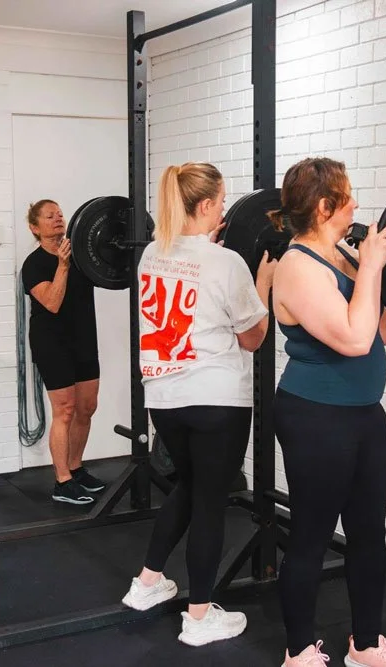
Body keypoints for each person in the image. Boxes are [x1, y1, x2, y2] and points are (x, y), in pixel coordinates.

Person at [267, 157, 386, 667]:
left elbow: (381, 328)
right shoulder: (296, 267)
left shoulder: (341, 255)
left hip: (363, 415)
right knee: (312, 535)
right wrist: (375, 265)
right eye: (348, 195)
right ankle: (298, 652)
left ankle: (366, 644)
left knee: (369, 533)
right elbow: (355, 340)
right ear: (324, 206)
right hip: (315, 416)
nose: (357, 205)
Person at [119, 162, 276, 648]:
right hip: (216, 401)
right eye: (221, 202)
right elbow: (253, 337)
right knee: (211, 499)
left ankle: (147, 583)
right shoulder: (228, 265)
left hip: (165, 399)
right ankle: (199, 615)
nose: (225, 209)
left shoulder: (151, 254)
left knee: (189, 485)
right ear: (205, 206)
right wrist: (262, 283)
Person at [21, 199, 108, 506]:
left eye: (59, 213)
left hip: (84, 338)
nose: (58, 218)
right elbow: (53, 302)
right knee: (65, 410)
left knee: (87, 407)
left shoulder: (81, 254)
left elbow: (112, 272)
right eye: (49, 216)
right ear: (35, 227)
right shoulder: (34, 265)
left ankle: (76, 467)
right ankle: (62, 482)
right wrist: (62, 265)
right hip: (51, 343)